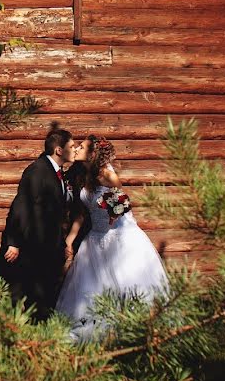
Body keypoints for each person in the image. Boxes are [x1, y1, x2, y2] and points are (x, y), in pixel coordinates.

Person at [56, 135, 169, 341]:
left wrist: (109, 218)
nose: (78, 148)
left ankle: (134, 329)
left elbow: (123, 202)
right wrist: (70, 240)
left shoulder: (107, 175)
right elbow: (82, 214)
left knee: (125, 281)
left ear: (93, 153)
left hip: (120, 237)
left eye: (82, 147)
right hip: (95, 240)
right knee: (93, 286)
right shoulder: (84, 175)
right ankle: (99, 330)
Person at [0, 128, 75, 321]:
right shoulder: (38, 170)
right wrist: (13, 242)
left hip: (46, 249)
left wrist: (61, 244)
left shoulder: (58, 173)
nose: (74, 150)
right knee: (17, 298)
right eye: (71, 146)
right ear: (58, 150)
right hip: (28, 249)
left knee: (41, 301)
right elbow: (21, 205)